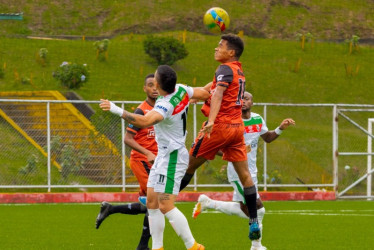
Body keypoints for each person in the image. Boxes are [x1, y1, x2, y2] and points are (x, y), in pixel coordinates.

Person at [100, 65, 210, 250]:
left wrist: (115, 109)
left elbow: (144, 121)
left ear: (158, 84)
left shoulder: (164, 104)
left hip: (173, 157)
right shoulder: (181, 89)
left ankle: (194, 246)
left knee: (165, 205)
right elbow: (203, 94)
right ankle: (158, 247)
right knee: (152, 201)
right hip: (163, 156)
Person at [179, 34, 261, 241]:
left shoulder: (224, 69)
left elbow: (218, 95)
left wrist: (211, 121)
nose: (216, 48)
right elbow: (214, 87)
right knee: (245, 176)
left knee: (188, 166)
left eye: (220, 46)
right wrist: (200, 92)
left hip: (220, 127)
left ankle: (163, 201)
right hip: (236, 128)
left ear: (231, 52)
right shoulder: (237, 71)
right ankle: (253, 221)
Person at [192, 91, 295, 250]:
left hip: (251, 171)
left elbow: (267, 138)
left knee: (245, 208)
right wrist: (233, 153)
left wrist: (280, 128)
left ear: (252, 102)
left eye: (246, 98)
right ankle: (256, 246)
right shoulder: (231, 122)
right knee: (258, 209)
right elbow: (216, 147)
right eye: (240, 98)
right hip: (237, 171)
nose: (243, 101)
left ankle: (208, 203)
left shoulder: (257, 119)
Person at [95, 73, 159, 250]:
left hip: (155, 162)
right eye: (150, 85)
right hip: (142, 160)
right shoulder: (141, 111)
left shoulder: (162, 108)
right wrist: (147, 153)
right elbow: (128, 139)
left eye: (156, 85)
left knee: (147, 205)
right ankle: (143, 245)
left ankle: (110, 209)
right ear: (144, 89)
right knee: (156, 202)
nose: (154, 88)